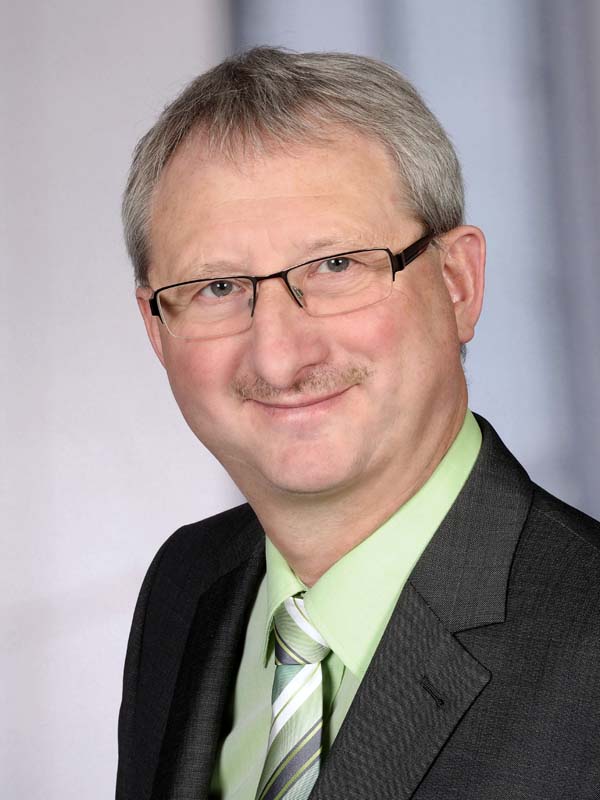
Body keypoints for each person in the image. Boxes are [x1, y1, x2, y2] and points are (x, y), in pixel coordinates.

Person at [116, 47, 600, 800]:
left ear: (458, 283)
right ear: (156, 329)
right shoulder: (184, 587)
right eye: (217, 287)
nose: (280, 356)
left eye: (336, 266)